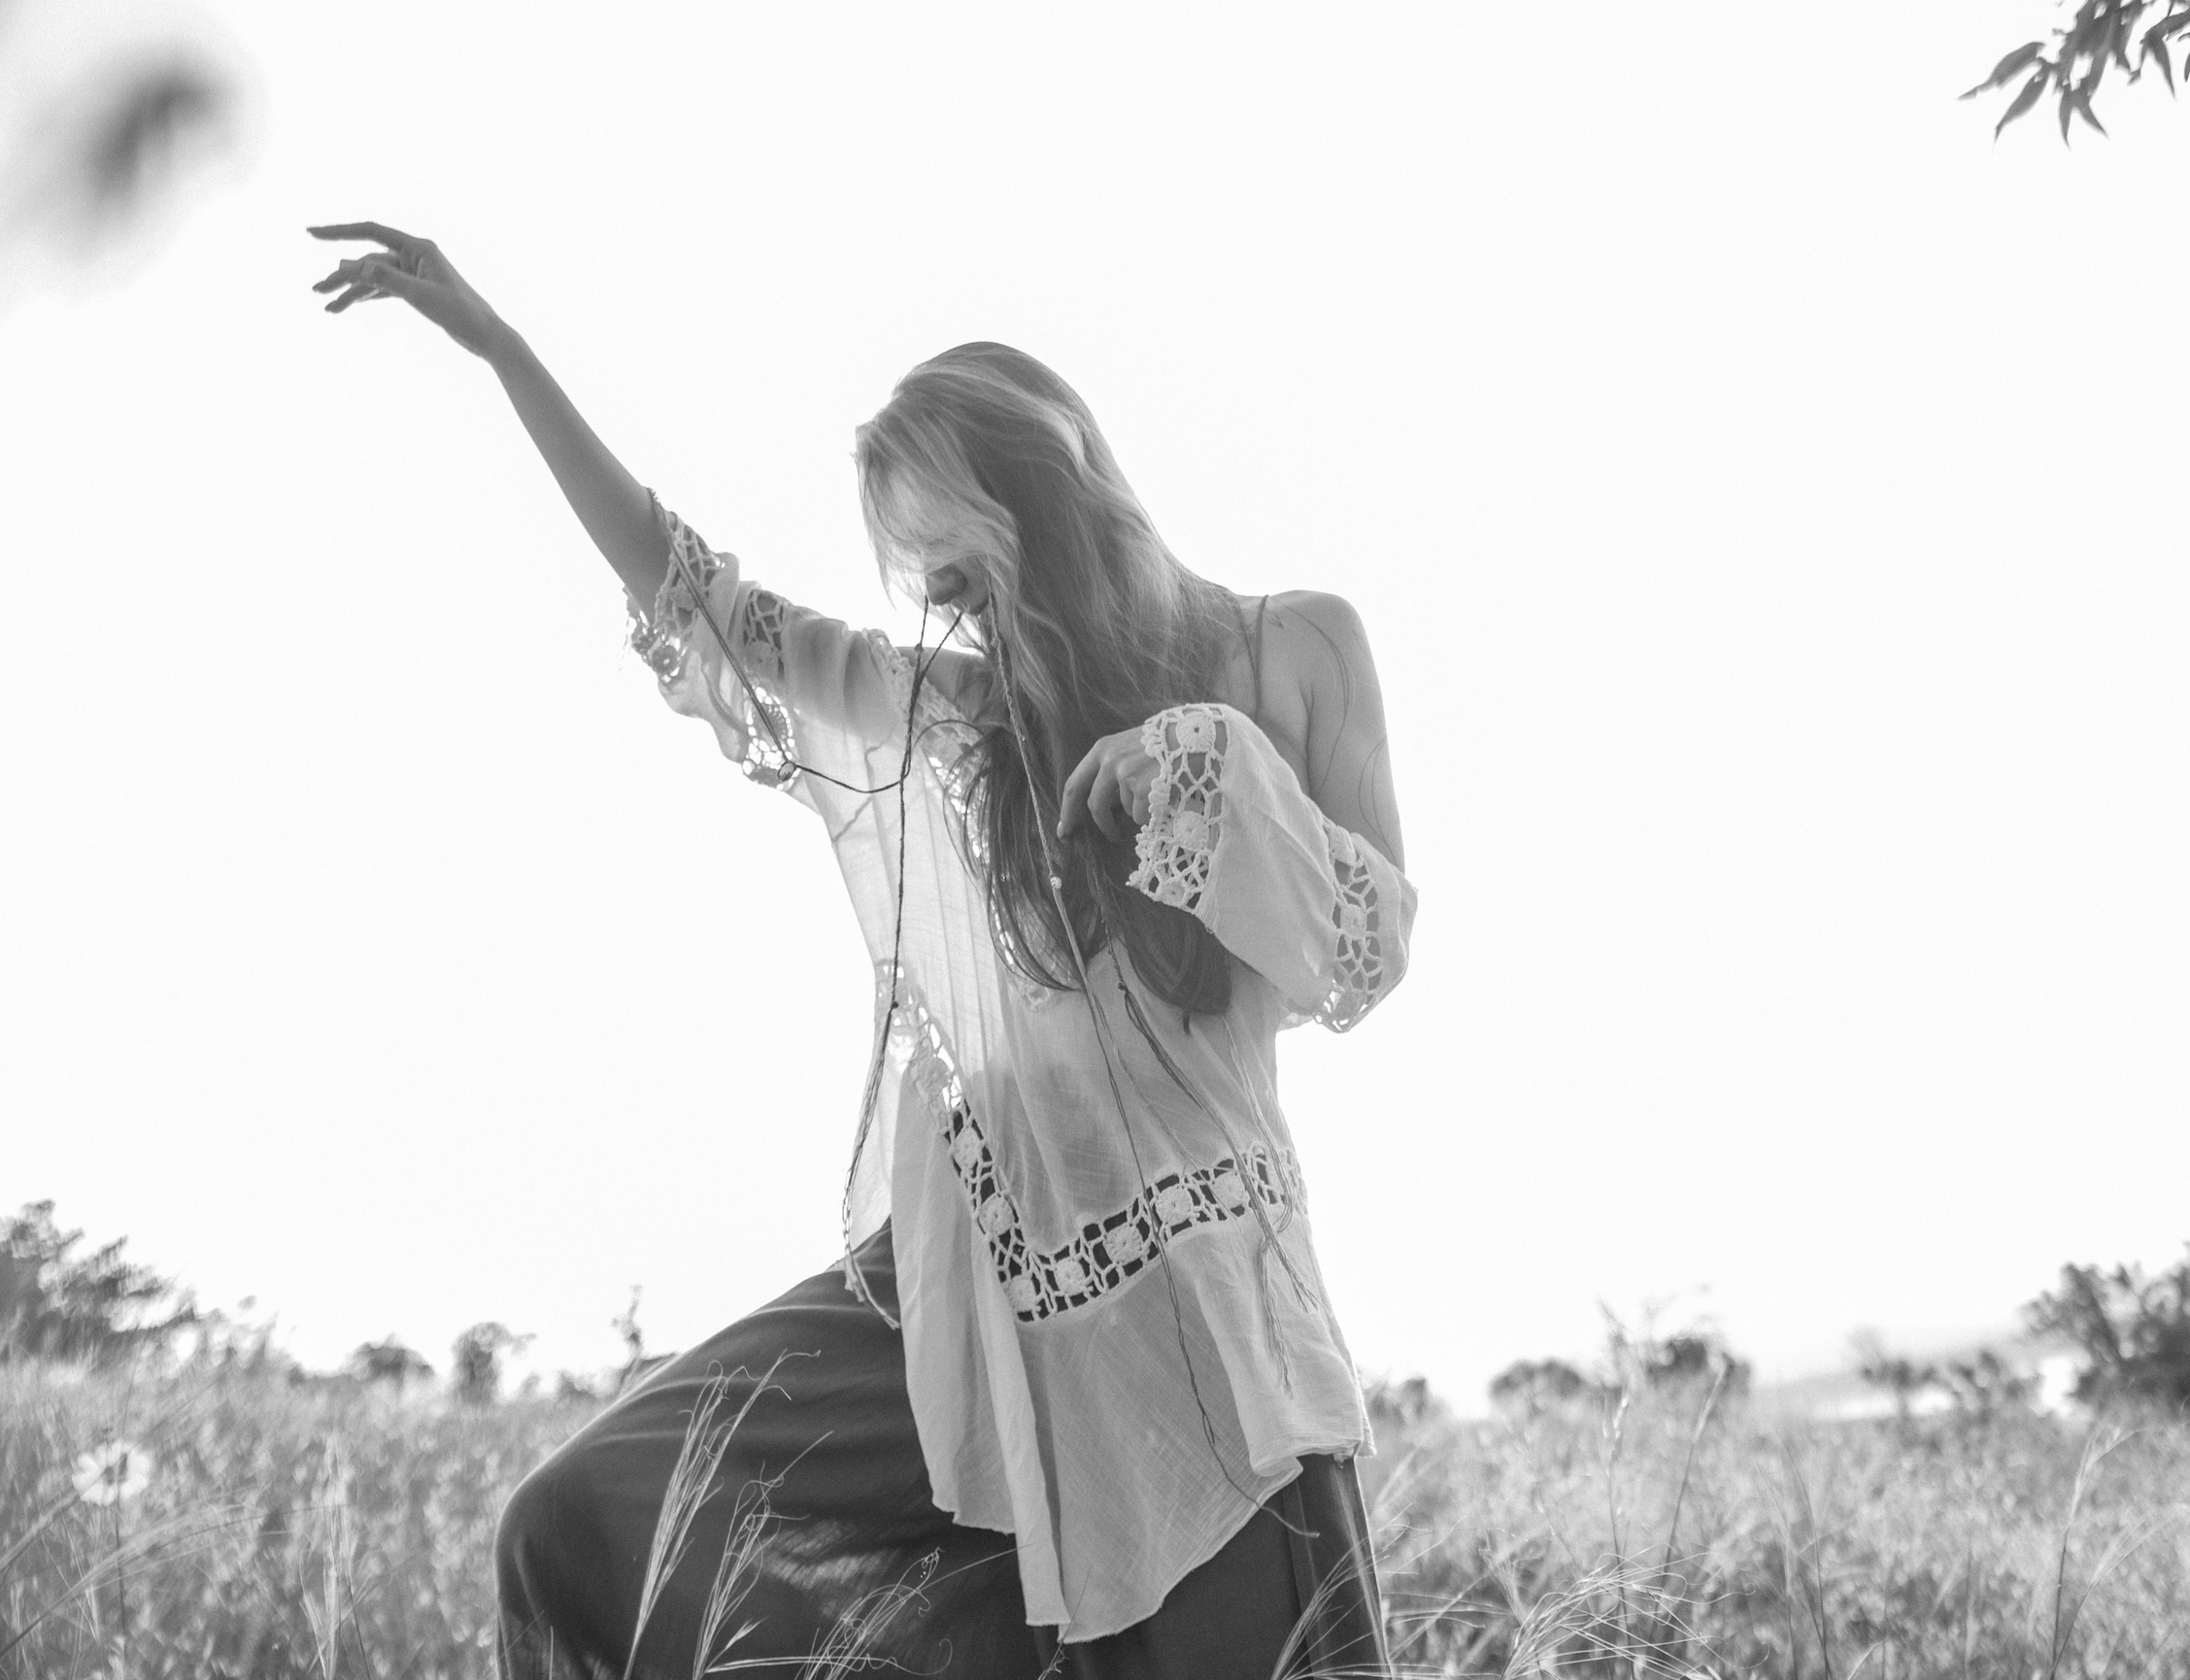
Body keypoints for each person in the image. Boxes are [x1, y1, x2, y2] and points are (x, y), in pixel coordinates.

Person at [309, 222, 1417, 1678]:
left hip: (1199, 1318)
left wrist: (1200, 760)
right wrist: (504, 352)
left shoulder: (1293, 648)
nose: (954, 618)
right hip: (959, 1290)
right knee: (574, 1516)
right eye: (933, 592)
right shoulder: (947, 720)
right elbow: (700, 593)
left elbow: (1366, 951)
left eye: (966, 574)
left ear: (1050, 501)